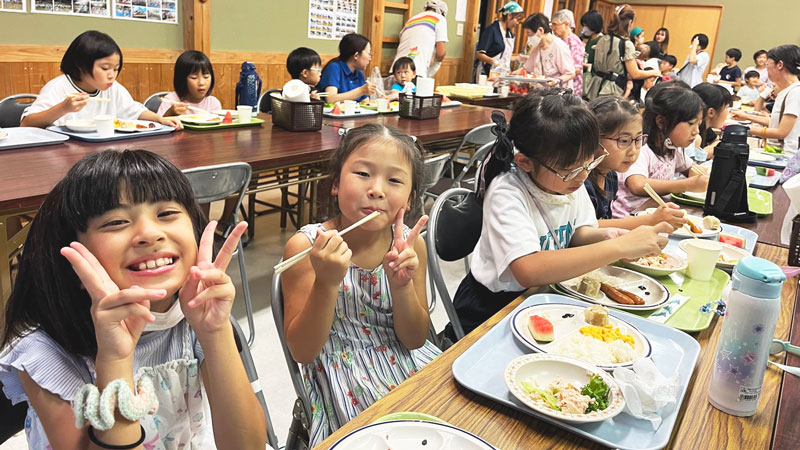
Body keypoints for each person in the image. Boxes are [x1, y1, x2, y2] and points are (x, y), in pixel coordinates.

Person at [0, 150, 267, 449]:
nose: (150, 234)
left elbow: (247, 446)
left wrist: (215, 333)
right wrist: (115, 359)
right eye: (115, 222)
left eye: (166, 213)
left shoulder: (190, 319)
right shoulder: (42, 352)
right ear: (69, 255)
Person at [445, 89, 671, 338]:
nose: (583, 176)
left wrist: (611, 236)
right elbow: (528, 269)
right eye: (569, 170)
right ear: (524, 162)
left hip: (543, 295)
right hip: (492, 309)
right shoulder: (507, 191)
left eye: (589, 163)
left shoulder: (568, 180)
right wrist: (619, 248)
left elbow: (578, 232)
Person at [281, 124, 441, 445]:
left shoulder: (411, 248)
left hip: (408, 362)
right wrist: (326, 283)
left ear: (409, 200)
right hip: (342, 374)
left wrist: (401, 287)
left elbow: (414, 339)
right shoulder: (306, 247)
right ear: (336, 184)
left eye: (394, 180)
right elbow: (302, 351)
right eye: (363, 174)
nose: (377, 190)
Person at [20, 31, 182, 129]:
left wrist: (160, 119)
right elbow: (26, 124)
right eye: (105, 68)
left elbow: (134, 111)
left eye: (116, 68)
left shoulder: (113, 88)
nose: (112, 74)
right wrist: (64, 107)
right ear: (81, 65)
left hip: (103, 155)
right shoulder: (58, 87)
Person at [586, 96, 687, 229]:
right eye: (623, 141)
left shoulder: (610, 175)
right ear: (595, 139)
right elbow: (588, 228)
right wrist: (651, 220)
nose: (633, 151)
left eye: (638, 139)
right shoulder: (582, 181)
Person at [612, 82, 710, 217]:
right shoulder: (641, 147)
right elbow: (637, 185)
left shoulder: (672, 149)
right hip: (627, 217)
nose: (696, 131)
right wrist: (686, 185)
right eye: (691, 124)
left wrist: (699, 179)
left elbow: (693, 169)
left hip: (652, 214)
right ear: (661, 122)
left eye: (699, 125)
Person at [731, 45, 800, 180]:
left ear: (780, 65)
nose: (766, 68)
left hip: (784, 158)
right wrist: (746, 116)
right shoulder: (787, 91)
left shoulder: (795, 93)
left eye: (768, 63)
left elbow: (781, 132)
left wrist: (745, 129)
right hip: (776, 155)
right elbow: (778, 123)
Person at [584, 4, 659, 100]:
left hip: (595, 85)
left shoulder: (603, 39)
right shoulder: (626, 44)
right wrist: (654, 72)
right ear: (630, 22)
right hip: (611, 90)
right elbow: (635, 73)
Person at [517, 13, 576, 90]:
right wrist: (510, 75)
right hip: (541, 92)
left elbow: (570, 74)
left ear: (540, 30)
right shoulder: (536, 48)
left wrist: (557, 80)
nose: (527, 37)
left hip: (557, 94)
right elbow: (527, 69)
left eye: (529, 33)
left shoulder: (559, 46)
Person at [393, 0, 448, 78]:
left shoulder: (411, 19)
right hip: (415, 70)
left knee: (396, 90)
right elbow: (440, 54)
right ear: (442, 12)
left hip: (397, 69)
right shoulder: (440, 19)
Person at [157, 50, 222, 116]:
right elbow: (158, 124)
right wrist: (170, 113)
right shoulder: (171, 100)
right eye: (194, 77)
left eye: (206, 77)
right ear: (182, 79)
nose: (201, 83)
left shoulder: (213, 103)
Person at [318, 33, 376, 103]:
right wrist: (362, 90)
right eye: (368, 54)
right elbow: (331, 99)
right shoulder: (334, 68)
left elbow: (365, 102)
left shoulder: (359, 74)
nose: (370, 58)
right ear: (356, 55)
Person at [474, 1, 525, 79]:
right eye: (517, 19)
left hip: (503, 73)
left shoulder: (509, 34)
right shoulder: (492, 30)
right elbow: (479, 54)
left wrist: (520, 58)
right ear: (509, 16)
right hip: (487, 72)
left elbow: (505, 56)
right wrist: (493, 61)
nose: (517, 23)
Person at [692, 82, 733, 159]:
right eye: (727, 108)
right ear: (711, 112)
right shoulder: (693, 132)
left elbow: (716, 141)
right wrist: (705, 153)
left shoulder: (705, 127)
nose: (728, 112)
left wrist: (705, 152)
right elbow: (696, 158)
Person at [551, 9, 585, 97]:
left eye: (555, 24)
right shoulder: (558, 41)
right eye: (552, 25)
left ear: (566, 24)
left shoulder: (573, 41)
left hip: (570, 89)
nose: (553, 28)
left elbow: (576, 69)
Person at [579, 9, 604, 98]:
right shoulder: (590, 40)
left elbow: (601, 66)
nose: (584, 28)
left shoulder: (602, 41)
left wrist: (588, 66)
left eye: (586, 25)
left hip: (594, 81)